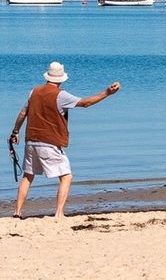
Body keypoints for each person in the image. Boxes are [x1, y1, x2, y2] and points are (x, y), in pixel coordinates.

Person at [9, 61, 120, 219]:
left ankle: (17, 212)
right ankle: (59, 213)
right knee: (66, 176)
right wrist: (107, 93)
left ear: (48, 77)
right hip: (49, 142)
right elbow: (85, 103)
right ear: (61, 79)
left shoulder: (34, 92)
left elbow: (22, 113)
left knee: (28, 176)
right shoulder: (61, 95)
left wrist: (15, 132)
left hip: (31, 140)